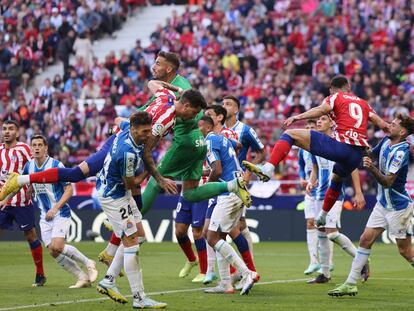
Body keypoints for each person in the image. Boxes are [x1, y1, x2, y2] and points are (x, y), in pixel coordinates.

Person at [243, 75, 389, 227]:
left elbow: (321, 110)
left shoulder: (335, 97)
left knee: (289, 134)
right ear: (349, 86)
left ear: (332, 89)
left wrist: (297, 117)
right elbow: (383, 125)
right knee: (337, 180)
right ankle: (323, 215)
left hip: (340, 146)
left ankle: (268, 168)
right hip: (356, 155)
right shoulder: (365, 104)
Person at [328, 115, 414, 297]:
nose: (389, 125)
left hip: (398, 207)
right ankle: (351, 283)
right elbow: (369, 154)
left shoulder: (401, 152)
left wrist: (372, 168)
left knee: (405, 251)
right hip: (382, 204)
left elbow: (388, 181)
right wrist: (356, 145)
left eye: (394, 124)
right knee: (365, 239)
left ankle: (351, 282)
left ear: (403, 132)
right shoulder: (385, 141)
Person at [96, 111, 167, 309]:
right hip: (115, 196)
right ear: (134, 129)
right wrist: (151, 170)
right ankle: (139, 297)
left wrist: (115, 125)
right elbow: (131, 183)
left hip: (118, 192)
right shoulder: (126, 153)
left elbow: (118, 120)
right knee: (132, 243)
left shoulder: (127, 127)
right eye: (144, 132)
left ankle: (109, 280)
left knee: (140, 236)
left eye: (149, 130)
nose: (147, 135)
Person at [24, 135, 98, 288]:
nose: (36, 148)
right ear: (31, 148)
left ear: (46, 148)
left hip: (60, 212)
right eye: (34, 145)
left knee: (57, 246)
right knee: (53, 251)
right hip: (44, 216)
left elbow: (69, 190)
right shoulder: (28, 166)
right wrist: (30, 187)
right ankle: (82, 277)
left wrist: (55, 207)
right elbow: (28, 181)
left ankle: (88, 262)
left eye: (39, 145)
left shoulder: (56, 165)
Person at [306, 115, 368, 284]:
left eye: (323, 119)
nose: (319, 122)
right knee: (321, 233)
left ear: (332, 123)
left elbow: (353, 167)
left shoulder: (339, 143)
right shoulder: (315, 143)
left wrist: (358, 192)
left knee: (331, 234)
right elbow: (315, 168)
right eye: (318, 120)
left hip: (334, 194)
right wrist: (311, 182)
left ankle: (362, 260)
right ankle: (325, 274)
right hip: (318, 194)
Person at [198, 116, 257, 295]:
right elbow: (238, 146)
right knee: (220, 237)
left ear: (208, 127)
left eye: (199, 127)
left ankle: (248, 273)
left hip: (228, 193)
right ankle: (226, 284)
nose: (197, 131)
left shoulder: (208, 141)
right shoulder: (223, 138)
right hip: (238, 188)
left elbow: (217, 170)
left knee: (211, 237)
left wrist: (208, 187)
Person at [0, 120, 46, 286]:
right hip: (3, 202)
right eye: (4, 129)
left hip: (21, 201)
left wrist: (32, 185)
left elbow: (34, 166)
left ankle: (40, 274)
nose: (7, 132)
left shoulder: (24, 148)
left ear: (17, 133)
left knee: (31, 236)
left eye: (11, 129)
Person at [223, 95, 265, 260]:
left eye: (228, 104)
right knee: (224, 225)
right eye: (223, 104)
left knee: (236, 225)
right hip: (219, 181)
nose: (224, 106)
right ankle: (211, 270)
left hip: (237, 181)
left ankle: (248, 266)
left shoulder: (245, 130)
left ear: (236, 110)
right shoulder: (216, 129)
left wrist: (248, 171)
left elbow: (262, 152)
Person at [298, 119, 320, 275]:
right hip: (309, 190)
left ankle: (328, 262)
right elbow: (301, 166)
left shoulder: (323, 146)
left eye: (313, 127)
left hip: (323, 189)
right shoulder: (302, 148)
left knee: (326, 228)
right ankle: (313, 261)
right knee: (310, 223)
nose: (310, 130)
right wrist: (301, 178)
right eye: (307, 128)